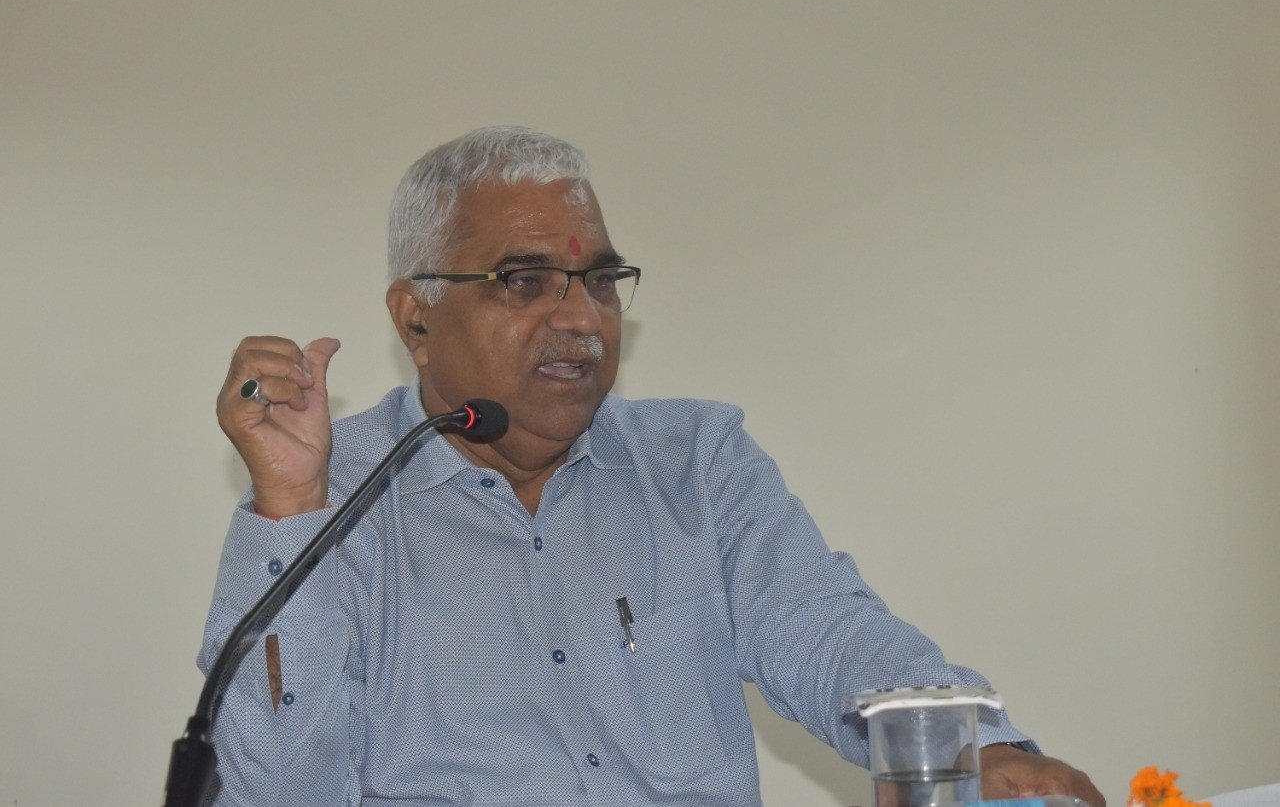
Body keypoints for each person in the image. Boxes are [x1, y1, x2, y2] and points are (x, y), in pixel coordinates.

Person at [203, 126, 1103, 806]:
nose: (581, 318)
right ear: (416, 319)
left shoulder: (696, 462)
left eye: (600, 280)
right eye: (524, 281)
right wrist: (290, 505)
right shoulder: (336, 499)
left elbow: (827, 631)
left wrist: (979, 748)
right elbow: (274, 792)